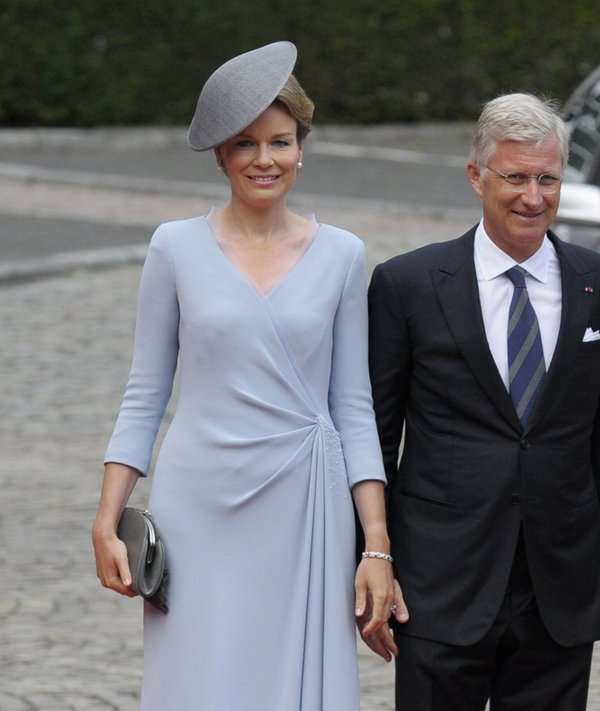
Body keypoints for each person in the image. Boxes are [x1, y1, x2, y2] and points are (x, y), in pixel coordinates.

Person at [90, 42, 398, 709]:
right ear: (222, 155)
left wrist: (376, 542)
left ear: (301, 148)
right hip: (197, 504)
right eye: (246, 143)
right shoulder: (174, 248)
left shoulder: (344, 255)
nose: (266, 160)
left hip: (305, 505)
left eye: (281, 141)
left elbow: (353, 406)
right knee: (200, 678)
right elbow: (145, 392)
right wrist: (107, 517)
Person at [365, 92, 600, 710]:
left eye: (548, 178)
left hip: (559, 588)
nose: (533, 197)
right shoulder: (407, 286)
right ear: (476, 177)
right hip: (440, 584)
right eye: (515, 177)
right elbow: (375, 442)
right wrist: (372, 558)